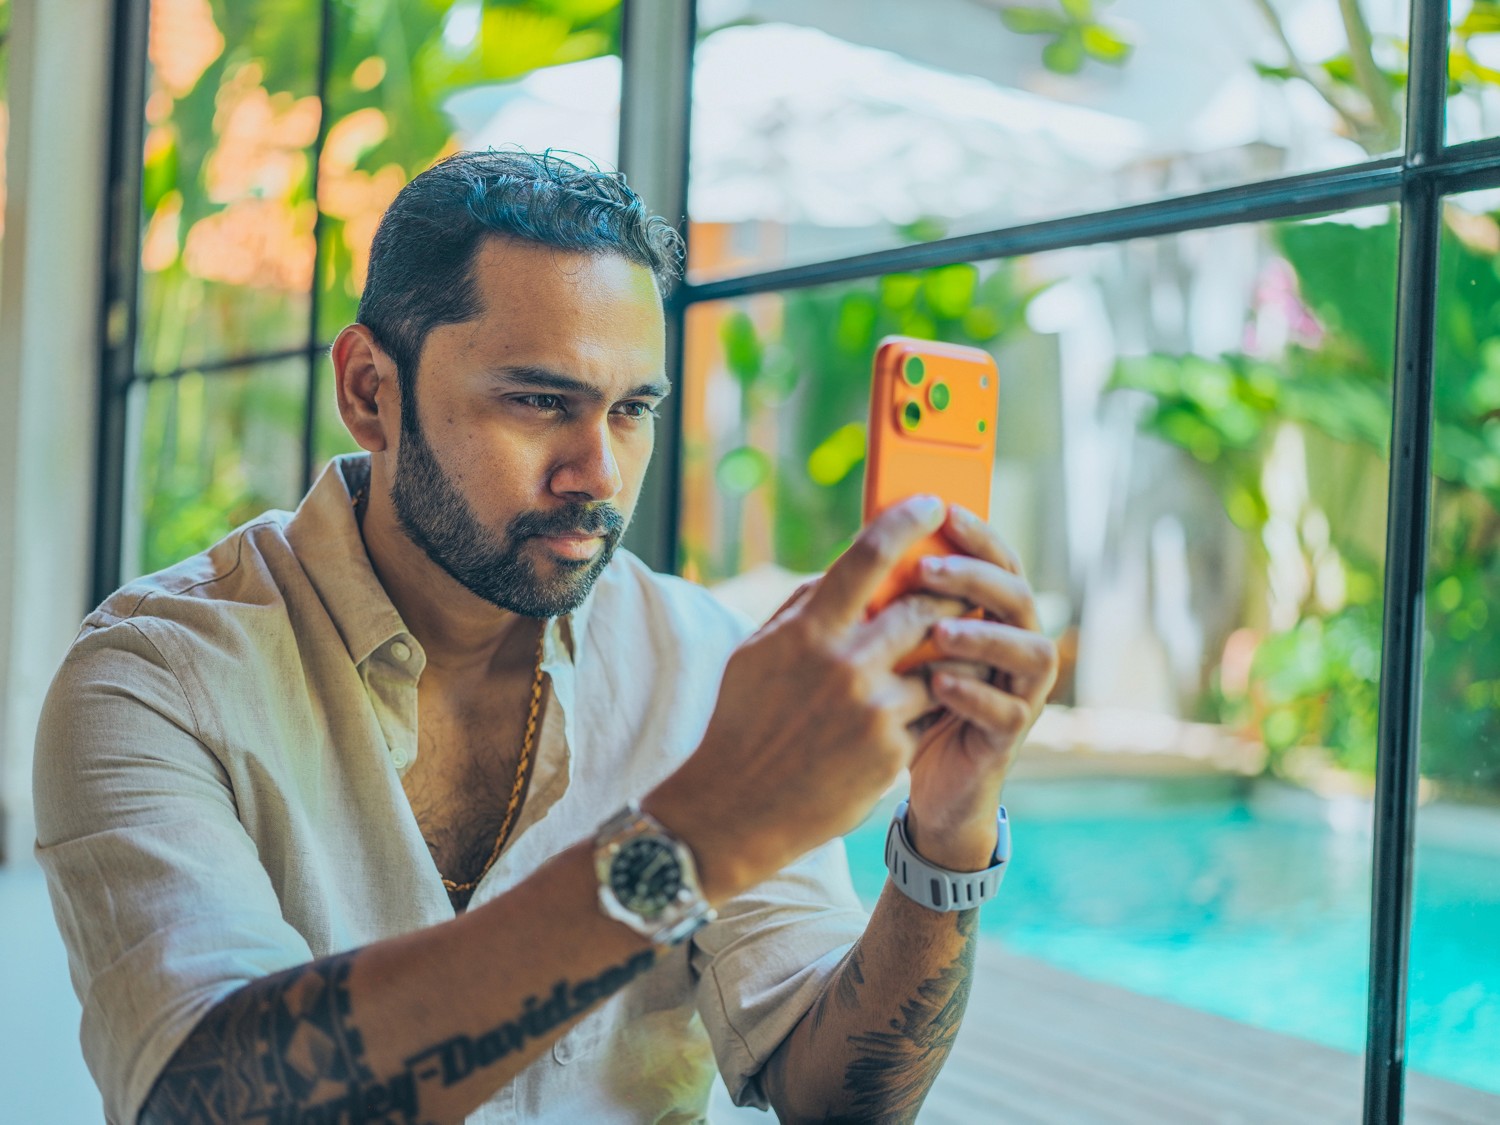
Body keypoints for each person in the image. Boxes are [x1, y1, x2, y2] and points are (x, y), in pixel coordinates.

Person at [34, 149, 1058, 1125]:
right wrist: (700, 834)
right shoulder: (154, 681)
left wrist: (948, 836)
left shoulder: (703, 660)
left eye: (631, 410)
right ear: (368, 393)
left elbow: (836, 1097)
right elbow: (199, 1097)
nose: (599, 472)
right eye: (538, 400)